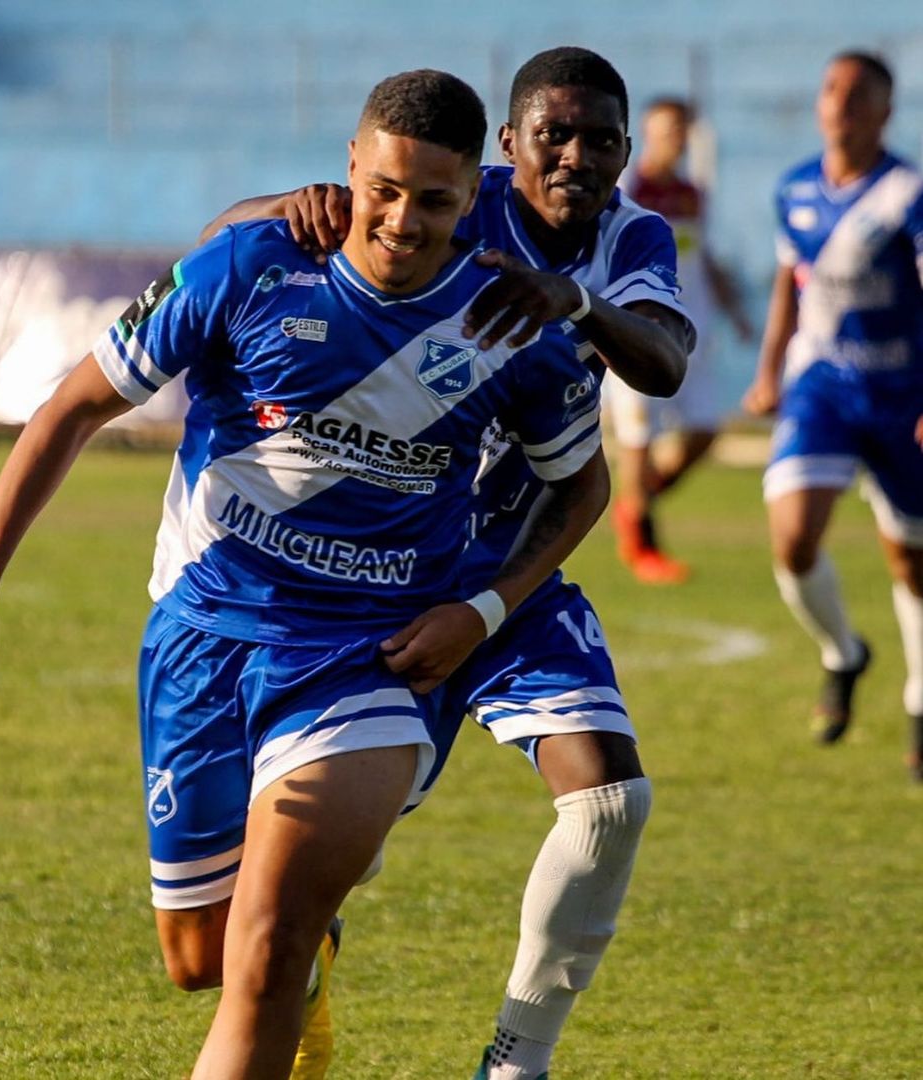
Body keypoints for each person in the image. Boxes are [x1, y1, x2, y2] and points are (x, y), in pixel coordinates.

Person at [0, 69, 615, 1080]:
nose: (403, 222)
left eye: (435, 201)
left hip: (364, 664)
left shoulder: (507, 326)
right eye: (383, 190)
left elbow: (580, 487)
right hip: (202, 640)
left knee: (267, 947)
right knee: (201, 959)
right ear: (349, 169)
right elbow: (71, 409)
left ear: (477, 195)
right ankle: (311, 966)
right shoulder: (251, 267)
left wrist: (485, 605)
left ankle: (296, 959)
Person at [200, 46, 694, 1080]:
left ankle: (516, 1063)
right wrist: (288, 205)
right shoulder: (457, 200)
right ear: (508, 148)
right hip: (381, 578)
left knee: (609, 800)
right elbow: (225, 244)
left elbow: (662, 361)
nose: (575, 154)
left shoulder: (632, 235)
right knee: (325, 871)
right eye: (552, 133)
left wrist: (575, 303)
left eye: (601, 137)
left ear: (625, 151)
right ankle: (309, 973)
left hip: (516, 564)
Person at [743, 51, 923, 779]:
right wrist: (767, 371)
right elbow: (790, 283)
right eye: (831, 89)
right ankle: (844, 653)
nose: (841, 102)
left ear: (885, 110)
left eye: (859, 94)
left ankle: (918, 702)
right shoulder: (793, 189)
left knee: (911, 562)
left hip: (903, 397)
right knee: (792, 539)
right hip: (821, 387)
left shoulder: (908, 194)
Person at [605, 95, 753, 584]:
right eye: (664, 130)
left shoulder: (692, 194)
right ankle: (642, 544)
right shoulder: (628, 189)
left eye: (680, 130)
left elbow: (701, 257)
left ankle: (634, 503)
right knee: (639, 439)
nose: (673, 139)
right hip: (636, 331)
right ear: (646, 134)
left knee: (705, 432)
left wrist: (734, 311)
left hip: (691, 334)